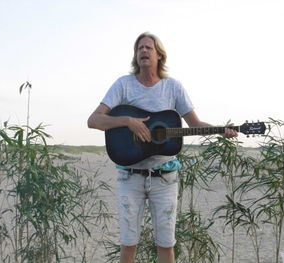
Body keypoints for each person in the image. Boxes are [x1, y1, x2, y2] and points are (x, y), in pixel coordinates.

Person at [87, 32, 238, 263]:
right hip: (130, 176)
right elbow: (94, 121)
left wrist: (221, 130)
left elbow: (195, 125)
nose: (143, 51)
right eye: (139, 49)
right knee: (128, 244)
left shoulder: (173, 87)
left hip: (165, 178)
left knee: (166, 245)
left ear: (159, 55)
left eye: (148, 48)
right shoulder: (123, 85)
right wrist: (128, 121)